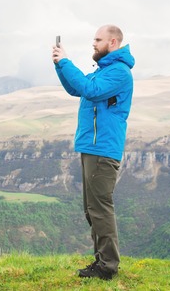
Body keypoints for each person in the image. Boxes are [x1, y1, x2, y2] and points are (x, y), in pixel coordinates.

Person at [52, 25, 135, 280]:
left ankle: (107, 267)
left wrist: (66, 61)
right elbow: (76, 89)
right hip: (91, 147)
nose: (93, 44)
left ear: (112, 42)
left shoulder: (119, 73)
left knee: (100, 208)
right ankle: (102, 261)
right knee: (92, 209)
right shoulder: (104, 72)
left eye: (98, 40)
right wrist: (59, 65)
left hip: (102, 149)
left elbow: (90, 91)